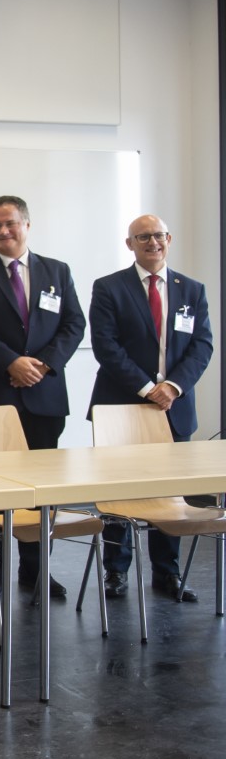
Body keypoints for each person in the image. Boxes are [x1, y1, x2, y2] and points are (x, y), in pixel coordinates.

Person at [0, 195, 85, 599]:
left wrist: (42, 365)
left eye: (9, 223)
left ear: (27, 225)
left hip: (43, 398)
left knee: (38, 492)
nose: (2, 231)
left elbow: (74, 323)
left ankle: (35, 571)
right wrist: (12, 362)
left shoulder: (56, 272)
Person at [89, 215, 214, 602]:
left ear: (169, 239)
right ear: (130, 244)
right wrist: (148, 388)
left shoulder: (191, 289)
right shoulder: (109, 287)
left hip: (173, 408)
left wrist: (172, 387)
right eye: (143, 237)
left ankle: (167, 573)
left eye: (158, 235)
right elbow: (106, 346)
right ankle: (116, 570)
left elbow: (202, 345)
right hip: (121, 405)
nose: (152, 243)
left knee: (169, 493)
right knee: (118, 491)